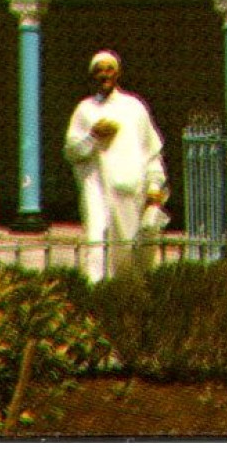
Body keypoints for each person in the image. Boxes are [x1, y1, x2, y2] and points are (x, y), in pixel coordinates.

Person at [64, 49, 168, 282]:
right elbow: (71, 152)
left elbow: (151, 150)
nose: (104, 75)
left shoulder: (134, 108)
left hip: (132, 194)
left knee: (131, 251)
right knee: (97, 243)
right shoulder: (85, 110)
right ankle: (96, 296)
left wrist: (154, 185)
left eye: (109, 69)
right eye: (99, 71)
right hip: (98, 191)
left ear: (117, 73)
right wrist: (92, 137)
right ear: (93, 75)